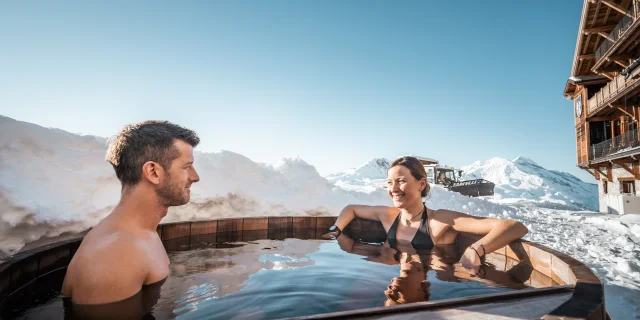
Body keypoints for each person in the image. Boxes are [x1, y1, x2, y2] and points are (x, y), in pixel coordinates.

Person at [61, 121, 201, 308]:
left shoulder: (139, 234)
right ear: (153, 172)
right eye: (186, 167)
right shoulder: (115, 255)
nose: (195, 176)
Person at [327, 155, 528, 269]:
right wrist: (336, 230)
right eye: (389, 183)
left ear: (421, 184)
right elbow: (351, 208)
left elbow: (514, 226)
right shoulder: (388, 215)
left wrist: (475, 249)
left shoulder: (439, 220)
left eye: (401, 181)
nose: (393, 189)